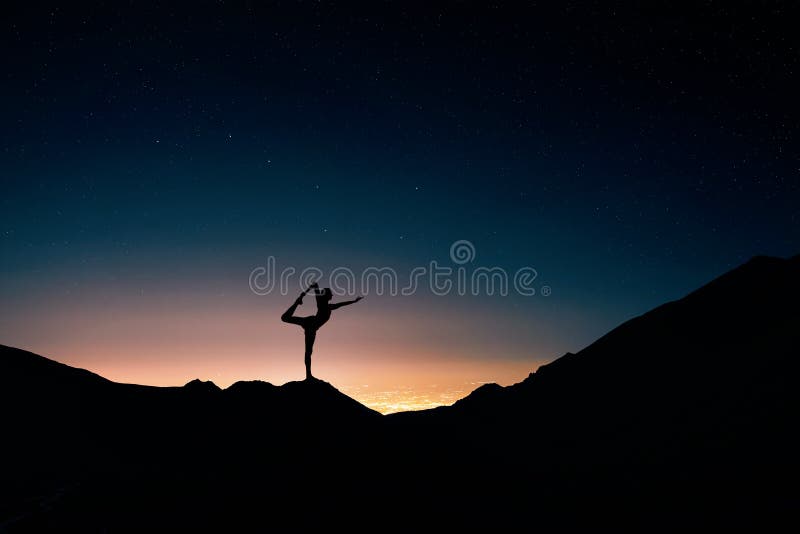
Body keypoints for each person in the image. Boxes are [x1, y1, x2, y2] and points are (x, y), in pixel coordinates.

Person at [281, 283, 363, 380]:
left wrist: (354, 301)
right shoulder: (322, 303)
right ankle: (308, 376)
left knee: (285, 318)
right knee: (308, 351)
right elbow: (316, 287)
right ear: (327, 295)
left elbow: (340, 304)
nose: (332, 295)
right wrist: (303, 294)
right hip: (311, 325)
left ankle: (308, 375)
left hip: (310, 323)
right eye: (331, 294)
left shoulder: (328, 306)